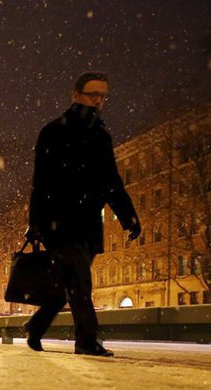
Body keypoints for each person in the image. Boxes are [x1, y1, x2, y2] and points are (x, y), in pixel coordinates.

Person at [25, 72, 142, 357]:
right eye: (93, 95)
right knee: (79, 281)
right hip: (59, 223)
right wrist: (36, 223)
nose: (98, 101)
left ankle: (36, 326)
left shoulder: (100, 136)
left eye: (103, 96)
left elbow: (111, 181)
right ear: (76, 94)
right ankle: (86, 341)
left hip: (88, 224)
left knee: (67, 283)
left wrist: (128, 217)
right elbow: (40, 182)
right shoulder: (53, 132)